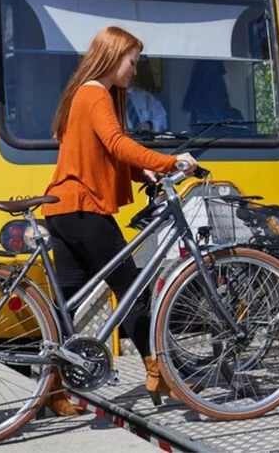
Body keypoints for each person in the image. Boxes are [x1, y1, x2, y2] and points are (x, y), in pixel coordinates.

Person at [42, 26, 197, 415]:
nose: (135, 70)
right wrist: (168, 161)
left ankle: (54, 390)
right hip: (84, 209)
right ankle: (158, 371)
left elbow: (95, 154)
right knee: (132, 290)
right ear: (113, 57)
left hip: (62, 210)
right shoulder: (95, 93)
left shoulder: (82, 93)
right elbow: (116, 143)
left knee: (67, 304)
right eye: (133, 61)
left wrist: (137, 173)